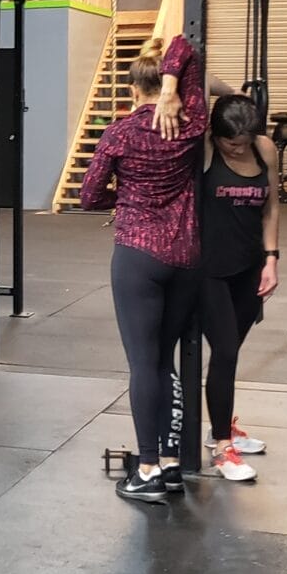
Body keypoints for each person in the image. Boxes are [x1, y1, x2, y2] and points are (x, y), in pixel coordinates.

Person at [79, 35, 207, 503]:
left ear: (135, 88)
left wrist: (126, 199)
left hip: (138, 255)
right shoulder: (192, 123)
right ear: (170, 86)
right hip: (186, 258)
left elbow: (89, 196)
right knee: (164, 359)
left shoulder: (120, 133)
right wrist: (175, 87)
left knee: (143, 364)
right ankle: (172, 464)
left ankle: (148, 467)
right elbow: (183, 43)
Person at [200, 94, 279, 482]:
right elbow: (196, 78)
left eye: (244, 141)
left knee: (229, 353)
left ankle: (224, 426)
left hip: (249, 268)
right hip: (207, 271)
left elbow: (272, 207)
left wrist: (271, 258)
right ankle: (220, 446)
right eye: (232, 142)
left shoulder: (264, 150)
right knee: (226, 351)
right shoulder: (204, 148)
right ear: (216, 134)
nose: (238, 148)